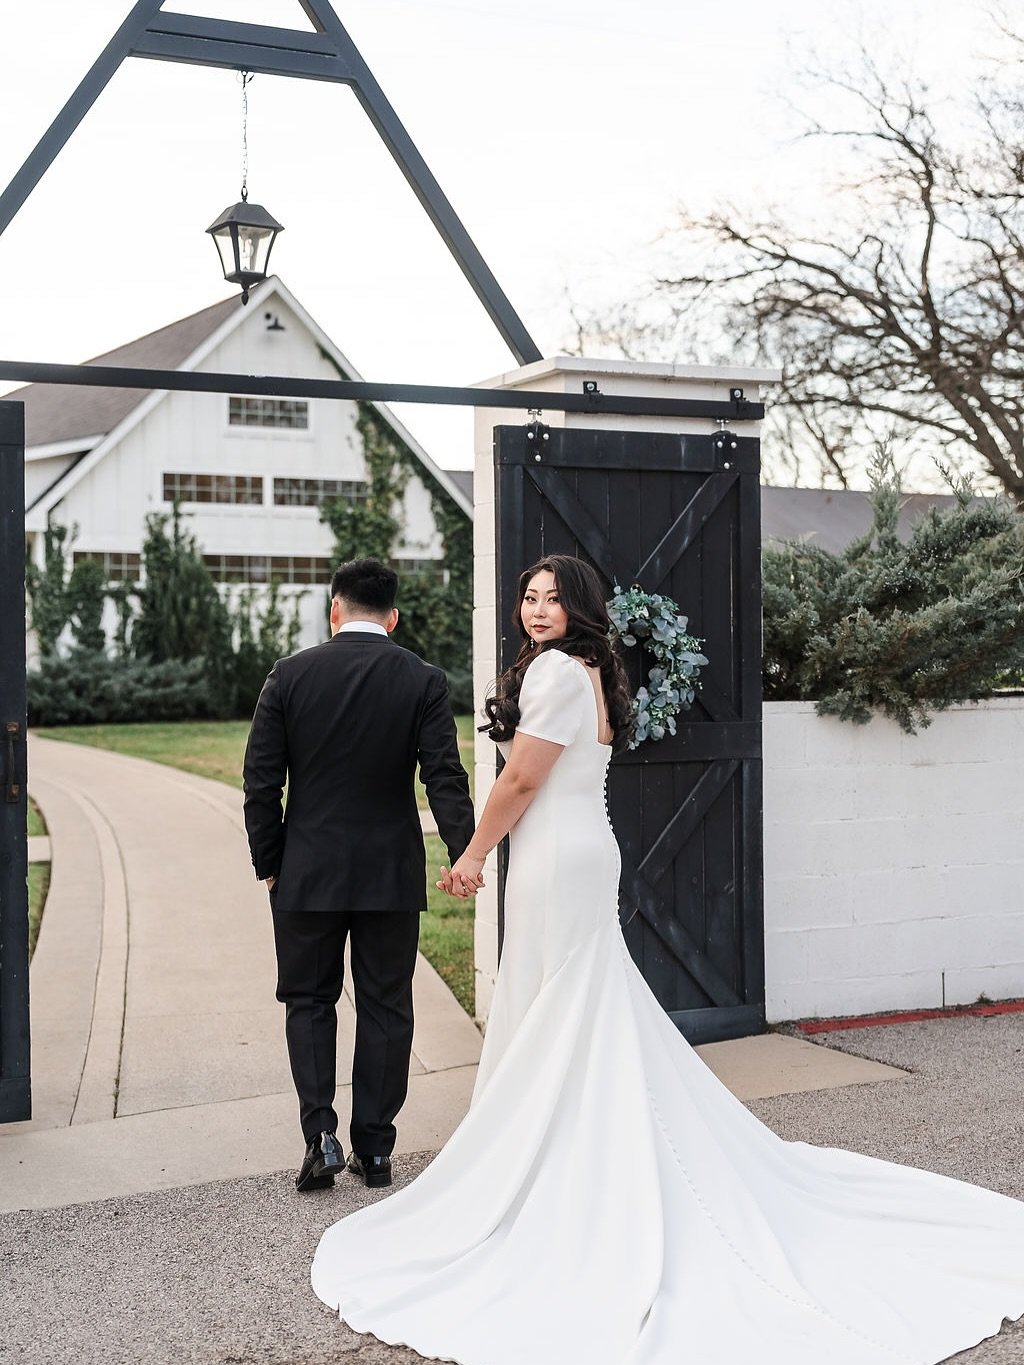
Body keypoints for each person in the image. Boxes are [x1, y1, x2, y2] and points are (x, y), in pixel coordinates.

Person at [311, 554, 1024, 1364]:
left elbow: (518, 783)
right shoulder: (591, 671)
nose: (536, 610)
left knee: (561, 1003)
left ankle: (558, 1174)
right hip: (582, 850)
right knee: (577, 1004)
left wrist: (472, 854)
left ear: (578, 609)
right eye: (529, 597)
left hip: (557, 858)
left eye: (552, 599)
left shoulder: (553, 672)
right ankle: (573, 1151)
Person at [243, 557, 474, 1194]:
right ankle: (375, 1151)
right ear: (393, 618)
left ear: (334, 609)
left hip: (307, 873)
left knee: (309, 1002)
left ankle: (320, 1134)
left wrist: (271, 864)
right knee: (385, 1007)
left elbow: (261, 783)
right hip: (388, 874)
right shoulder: (423, 680)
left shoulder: (287, 678)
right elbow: (444, 777)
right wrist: (466, 851)